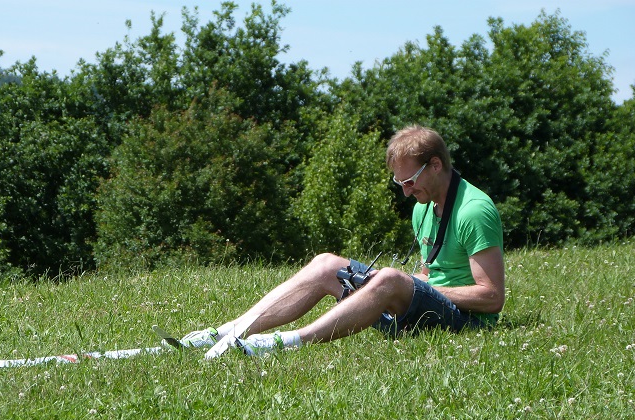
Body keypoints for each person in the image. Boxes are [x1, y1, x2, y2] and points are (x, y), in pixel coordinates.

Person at [178, 124, 505, 359]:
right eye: (399, 182)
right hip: (420, 312)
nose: (405, 191)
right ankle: (230, 331)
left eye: (409, 181)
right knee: (326, 265)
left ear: (435, 165)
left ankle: (283, 343)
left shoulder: (474, 211)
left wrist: (403, 285)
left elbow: (491, 297)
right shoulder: (425, 206)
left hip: (467, 323)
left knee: (391, 277)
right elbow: (430, 274)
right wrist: (391, 285)